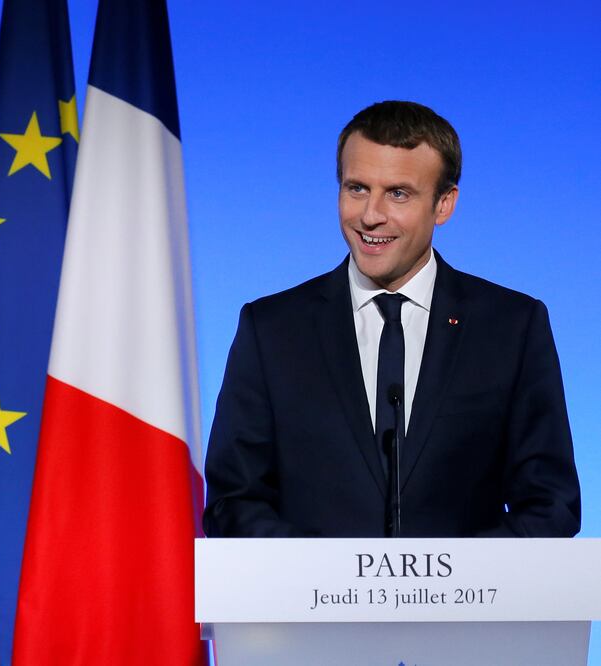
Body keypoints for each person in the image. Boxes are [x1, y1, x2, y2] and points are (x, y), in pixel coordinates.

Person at [203, 100, 579, 538]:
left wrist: (453, 575)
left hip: (469, 586)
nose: (370, 215)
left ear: (444, 204)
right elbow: (233, 502)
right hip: (312, 586)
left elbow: (551, 504)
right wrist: (327, 573)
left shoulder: (511, 327)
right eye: (357, 188)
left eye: (398, 193)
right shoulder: (272, 330)